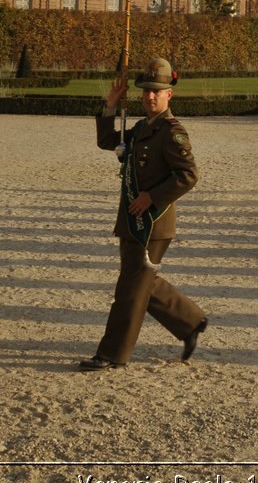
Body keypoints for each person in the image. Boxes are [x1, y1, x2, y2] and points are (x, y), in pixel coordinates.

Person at [82, 58, 207, 370]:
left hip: (153, 222)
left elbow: (188, 175)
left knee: (130, 291)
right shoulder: (140, 128)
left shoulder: (171, 132)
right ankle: (190, 321)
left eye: (157, 91)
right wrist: (110, 105)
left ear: (169, 95)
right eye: (146, 91)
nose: (150, 96)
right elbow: (106, 142)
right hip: (132, 219)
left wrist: (151, 197)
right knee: (141, 283)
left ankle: (112, 354)